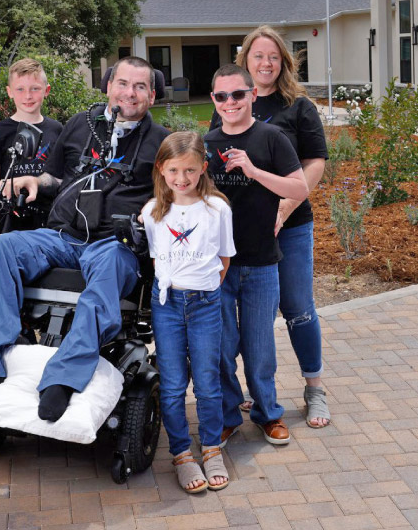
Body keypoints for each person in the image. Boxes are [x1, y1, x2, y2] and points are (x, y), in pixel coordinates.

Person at [0, 56, 169, 422]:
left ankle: (64, 377)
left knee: (112, 262)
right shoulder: (79, 126)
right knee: (5, 246)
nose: (129, 93)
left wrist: (155, 204)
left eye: (140, 87)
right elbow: (55, 178)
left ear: (151, 95)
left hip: (114, 245)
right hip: (62, 236)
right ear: (108, 86)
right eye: (122, 84)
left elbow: (176, 192)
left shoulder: (162, 143)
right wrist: (36, 181)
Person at [212, 26, 331, 428]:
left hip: (291, 224)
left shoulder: (298, 107)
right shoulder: (228, 103)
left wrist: (283, 207)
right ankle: (256, 394)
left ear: (284, 63)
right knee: (245, 320)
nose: (266, 63)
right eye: (258, 56)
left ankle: (315, 389)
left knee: (297, 309)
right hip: (244, 236)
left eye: (273, 57)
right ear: (245, 62)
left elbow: (315, 162)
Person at [204, 64, 309, 446]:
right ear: (214, 100)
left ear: (251, 95)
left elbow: (299, 190)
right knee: (221, 346)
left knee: (260, 346)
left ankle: (267, 413)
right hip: (217, 265)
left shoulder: (271, 138)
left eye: (237, 95)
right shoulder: (207, 143)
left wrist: (253, 170)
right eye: (221, 96)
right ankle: (230, 414)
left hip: (261, 261)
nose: (229, 102)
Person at [140, 132, 235, 493]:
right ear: (162, 169)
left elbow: (224, 259)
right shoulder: (153, 212)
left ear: (203, 169)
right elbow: (155, 258)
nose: (182, 178)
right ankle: (181, 452)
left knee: (208, 382)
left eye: (190, 171)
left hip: (205, 305)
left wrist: (204, 288)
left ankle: (211, 448)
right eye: (175, 170)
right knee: (174, 383)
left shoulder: (217, 209)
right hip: (167, 306)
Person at [0, 58, 63, 243]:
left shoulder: (57, 129)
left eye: (35, 88)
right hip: (9, 224)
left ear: (46, 90)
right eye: (20, 89)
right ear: (10, 92)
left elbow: (61, 176)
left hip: (48, 223)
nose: (28, 96)